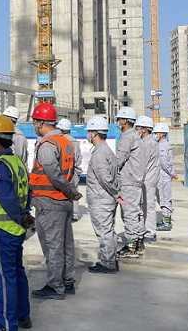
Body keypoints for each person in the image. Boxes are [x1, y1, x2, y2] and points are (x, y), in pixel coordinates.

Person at [0, 115, 34, 331]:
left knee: (3, 278)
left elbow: (7, 199)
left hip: (2, 229)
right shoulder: (16, 162)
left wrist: (20, 216)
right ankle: (22, 316)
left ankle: (6, 324)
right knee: (17, 273)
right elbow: (27, 192)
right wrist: (25, 215)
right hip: (15, 229)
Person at [28, 103, 81, 300]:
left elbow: (54, 174)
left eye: (35, 122)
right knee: (65, 244)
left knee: (53, 245)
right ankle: (67, 281)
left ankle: (55, 286)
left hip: (50, 202)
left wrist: (71, 191)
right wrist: (71, 192)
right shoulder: (65, 142)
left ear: (41, 123)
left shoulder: (47, 145)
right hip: (63, 201)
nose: (34, 126)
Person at [84, 116, 125, 274]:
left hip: (101, 199)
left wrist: (115, 193)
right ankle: (111, 259)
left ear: (94, 133)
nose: (88, 135)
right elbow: (116, 175)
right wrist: (116, 192)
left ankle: (107, 263)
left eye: (89, 132)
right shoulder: (107, 150)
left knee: (104, 231)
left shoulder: (100, 153)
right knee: (108, 230)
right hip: (106, 198)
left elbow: (104, 178)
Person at [114, 106, 145, 258]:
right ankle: (137, 242)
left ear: (125, 121)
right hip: (136, 180)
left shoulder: (127, 137)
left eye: (120, 119)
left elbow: (119, 159)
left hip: (128, 181)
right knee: (136, 212)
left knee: (129, 214)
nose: (118, 122)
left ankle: (132, 247)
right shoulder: (136, 136)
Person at [136, 115, 159, 248]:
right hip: (150, 177)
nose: (137, 130)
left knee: (148, 205)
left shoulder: (147, 143)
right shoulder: (150, 142)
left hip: (148, 178)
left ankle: (150, 232)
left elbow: (141, 163)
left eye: (138, 128)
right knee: (146, 205)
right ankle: (148, 229)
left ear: (144, 130)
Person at [57, 119, 83, 222]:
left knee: (61, 191)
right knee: (74, 190)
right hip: (73, 170)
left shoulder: (58, 141)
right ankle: (75, 213)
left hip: (62, 170)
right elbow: (79, 158)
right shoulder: (75, 141)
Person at [154, 123, 177, 231]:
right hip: (164, 176)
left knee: (164, 199)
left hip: (163, 176)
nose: (155, 135)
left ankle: (166, 222)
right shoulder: (163, 144)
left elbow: (164, 162)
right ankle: (166, 220)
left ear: (162, 134)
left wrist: (172, 173)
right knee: (164, 198)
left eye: (157, 133)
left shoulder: (162, 146)